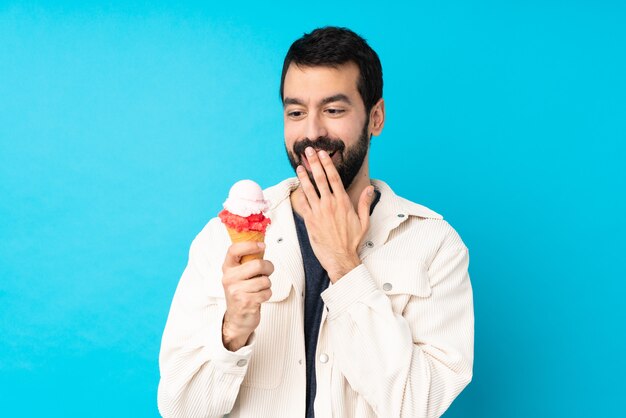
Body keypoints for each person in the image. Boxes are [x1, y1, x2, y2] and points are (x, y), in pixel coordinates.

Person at [157, 26, 474, 418]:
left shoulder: (434, 244)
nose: (311, 133)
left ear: (375, 117)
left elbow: (416, 405)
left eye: (334, 110)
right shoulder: (222, 240)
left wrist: (345, 266)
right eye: (296, 112)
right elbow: (181, 410)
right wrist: (232, 329)